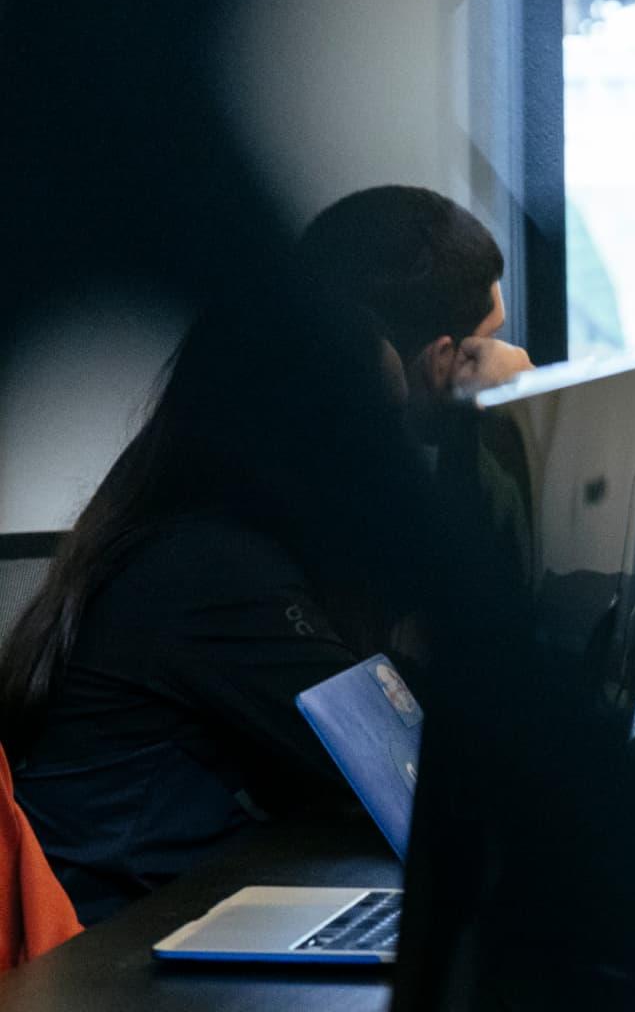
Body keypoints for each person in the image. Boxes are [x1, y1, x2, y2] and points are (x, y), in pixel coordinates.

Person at [0, 186, 526, 922]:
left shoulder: (228, 533)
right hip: (96, 972)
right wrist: (496, 440)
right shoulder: (208, 568)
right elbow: (416, 771)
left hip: (173, 921)